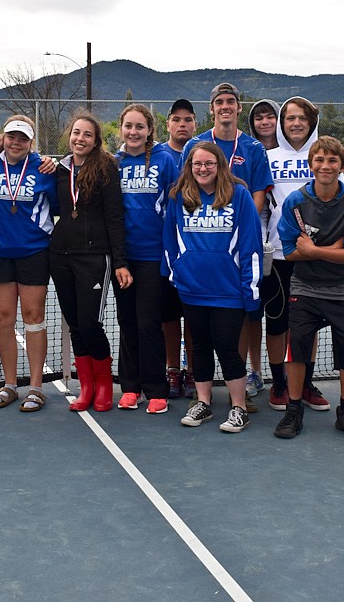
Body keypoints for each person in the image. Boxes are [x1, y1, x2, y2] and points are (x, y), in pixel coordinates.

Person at [274, 136, 344, 440]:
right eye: (319, 160)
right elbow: (289, 251)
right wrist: (335, 247)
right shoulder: (295, 202)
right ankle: (293, 410)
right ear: (311, 164)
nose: (325, 166)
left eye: (332, 161)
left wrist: (316, 250)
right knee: (298, 347)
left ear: (342, 166)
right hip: (304, 287)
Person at [182, 83, 272, 412]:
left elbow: (259, 191)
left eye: (230, 102)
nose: (225, 107)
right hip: (205, 243)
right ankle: (201, 389)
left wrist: (243, 217)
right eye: (219, 102)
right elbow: (187, 190)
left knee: (244, 315)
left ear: (237, 107)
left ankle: (247, 381)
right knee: (203, 329)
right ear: (211, 108)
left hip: (242, 242)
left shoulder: (252, 147)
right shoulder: (195, 145)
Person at [164, 142, 262, 432]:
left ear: (220, 166)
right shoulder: (179, 197)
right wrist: (176, 275)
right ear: (189, 167)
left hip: (229, 292)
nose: (203, 169)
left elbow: (251, 246)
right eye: (197, 164)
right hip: (192, 289)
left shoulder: (239, 196)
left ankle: (238, 407)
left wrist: (251, 290)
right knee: (201, 348)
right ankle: (203, 403)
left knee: (228, 348)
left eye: (209, 163)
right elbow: (170, 241)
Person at [50, 113, 131, 412]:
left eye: (87, 134)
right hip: (60, 257)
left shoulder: (106, 168)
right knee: (74, 324)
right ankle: (86, 388)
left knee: (90, 323)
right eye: (75, 133)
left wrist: (120, 261)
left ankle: (104, 385)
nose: (79, 139)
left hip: (95, 258)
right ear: (69, 136)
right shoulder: (59, 169)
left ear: (96, 141)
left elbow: (114, 216)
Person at [0, 116, 57, 411]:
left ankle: (36, 387)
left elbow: (59, 204)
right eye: (12, 136)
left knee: (33, 316)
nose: (16, 142)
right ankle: (10, 384)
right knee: (3, 317)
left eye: (23, 138)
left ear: (31, 142)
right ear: (3, 137)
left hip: (34, 251)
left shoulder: (44, 168)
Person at [263, 96, 330, 413]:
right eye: (289, 117)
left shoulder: (323, 156)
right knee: (276, 324)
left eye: (302, 117)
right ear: (281, 122)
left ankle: (303, 383)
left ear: (311, 121)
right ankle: (278, 383)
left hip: (313, 257)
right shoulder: (267, 157)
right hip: (277, 257)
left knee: (309, 325)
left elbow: (336, 204)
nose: (296, 122)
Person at [114, 104, 178, 413]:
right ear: (121, 128)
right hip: (124, 258)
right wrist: (118, 260)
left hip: (154, 256)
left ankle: (156, 388)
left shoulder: (165, 161)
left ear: (150, 129)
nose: (134, 132)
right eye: (128, 126)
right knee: (126, 322)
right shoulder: (114, 163)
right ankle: (130, 387)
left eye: (140, 126)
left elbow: (177, 207)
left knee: (149, 323)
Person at [156, 99, 197, 399]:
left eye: (188, 119)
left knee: (193, 317)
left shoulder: (203, 155)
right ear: (168, 124)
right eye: (176, 120)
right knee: (169, 317)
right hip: (164, 252)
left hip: (196, 253)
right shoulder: (157, 155)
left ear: (195, 124)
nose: (182, 124)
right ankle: (172, 370)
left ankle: (193, 371)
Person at [245, 99, 281, 399]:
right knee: (251, 315)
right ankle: (253, 372)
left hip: (282, 251)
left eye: (271, 116)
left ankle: (289, 378)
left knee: (283, 318)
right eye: (259, 117)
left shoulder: (293, 155)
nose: (265, 121)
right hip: (250, 247)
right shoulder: (247, 151)